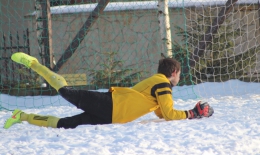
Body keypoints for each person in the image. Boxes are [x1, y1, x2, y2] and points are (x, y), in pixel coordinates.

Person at [4, 52, 214, 130]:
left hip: (112, 115)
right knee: (67, 92)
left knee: (64, 124)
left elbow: (162, 112)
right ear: (174, 72)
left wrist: (189, 113)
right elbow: (169, 114)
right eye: (179, 74)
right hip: (110, 104)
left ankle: (21, 116)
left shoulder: (158, 86)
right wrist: (192, 113)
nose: (180, 78)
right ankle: (33, 64)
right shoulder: (162, 83)